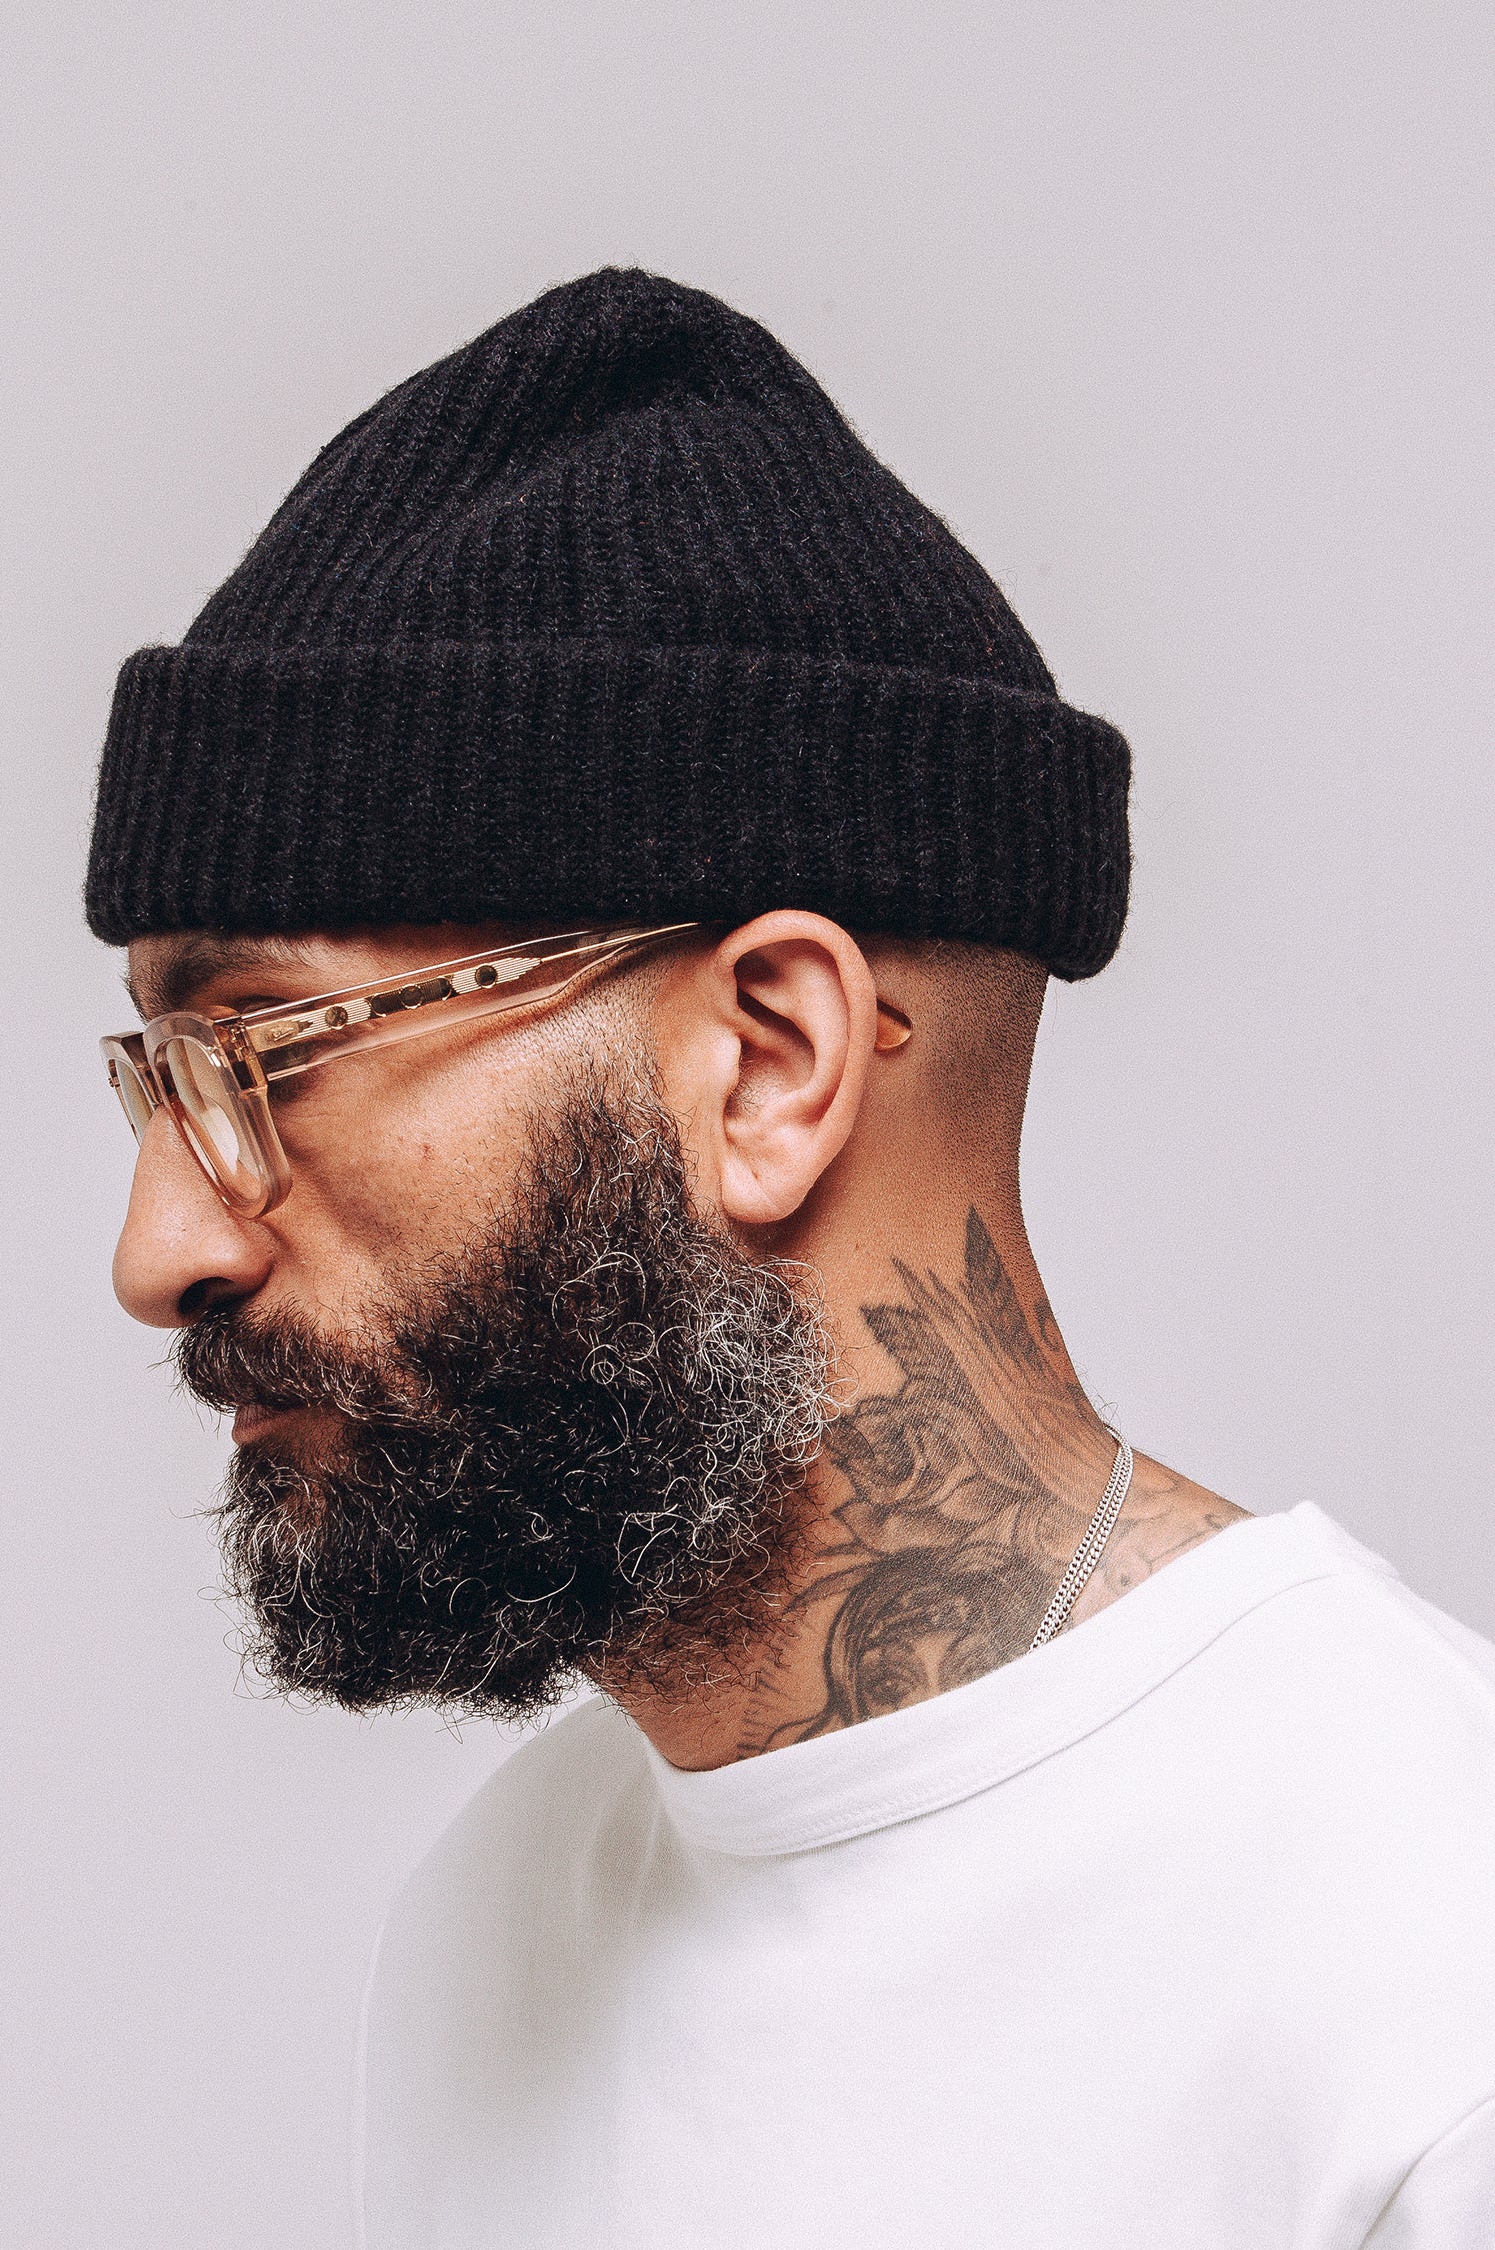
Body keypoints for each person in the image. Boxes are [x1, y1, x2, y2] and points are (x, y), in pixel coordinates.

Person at [86, 270, 1495, 2246]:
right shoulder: (492, 1932)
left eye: (268, 1056)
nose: (160, 1247)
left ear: (770, 1063)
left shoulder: (1427, 1984)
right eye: (157, 1082)